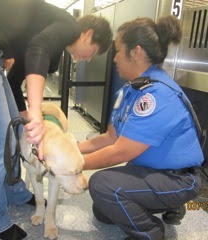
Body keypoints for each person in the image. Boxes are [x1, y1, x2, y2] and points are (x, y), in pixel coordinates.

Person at [0, 0, 112, 239]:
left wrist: (22, 116)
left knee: (11, 132)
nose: (88, 59)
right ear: (88, 34)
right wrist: (37, 113)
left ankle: (15, 191)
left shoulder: (46, 28)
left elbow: (14, 79)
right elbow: (37, 48)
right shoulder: (69, 26)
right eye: (94, 52)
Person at [78, 16, 204, 240]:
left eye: (118, 50)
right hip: (151, 171)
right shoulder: (129, 90)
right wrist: (74, 148)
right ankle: (167, 204)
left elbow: (122, 151)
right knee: (103, 210)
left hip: (178, 179)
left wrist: (72, 165)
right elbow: (110, 137)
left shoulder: (156, 94)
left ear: (135, 52)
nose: (115, 58)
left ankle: (151, 233)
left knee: (102, 185)